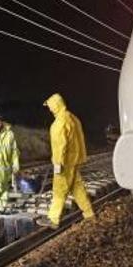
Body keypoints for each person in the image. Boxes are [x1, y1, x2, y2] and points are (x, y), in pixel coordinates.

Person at [37, 94, 94, 227]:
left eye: (51, 106)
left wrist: (58, 164)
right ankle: (89, 213)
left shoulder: (59, 123)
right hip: (74, 160)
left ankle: (53, 219)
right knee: (77, 188)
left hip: (64, 163)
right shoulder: (72, 118)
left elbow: (60, 146)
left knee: (59, 190)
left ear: (56, 105)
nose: (50, 110)